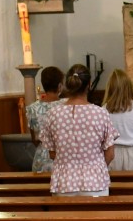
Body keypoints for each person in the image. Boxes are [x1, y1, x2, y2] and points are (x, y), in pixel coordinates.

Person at [40, 64, 118, 195]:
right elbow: (110, 154)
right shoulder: (100, 113)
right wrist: (94, 167)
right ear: (89, 84)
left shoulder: (53, 114)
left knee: (65, 216)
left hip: (63, 182)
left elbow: (52, 153)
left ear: (67, 84)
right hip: (95, 182)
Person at [103, 69, 133, 171]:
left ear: (110, 88)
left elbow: (102, 138)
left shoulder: (103, 109)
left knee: (114, 186)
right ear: (129, 87)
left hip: (112, 154)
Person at [26, 65, 64, 172]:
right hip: (62, 157)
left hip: (41, 159)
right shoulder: (66, 105)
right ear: (60, 85)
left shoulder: (33, 109)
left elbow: (35, 140)